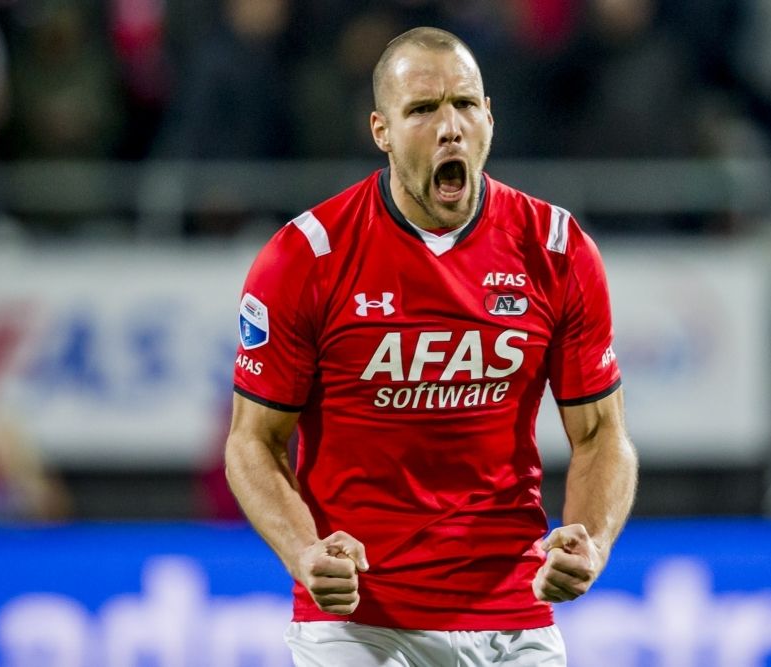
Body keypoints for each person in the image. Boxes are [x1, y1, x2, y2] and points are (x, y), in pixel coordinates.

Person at [225, 27, 638, 666]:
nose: (450, 128)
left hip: (512, 618)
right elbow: (252, 441)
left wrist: (593, 541)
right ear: (381, 131)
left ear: (489, 118)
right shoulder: (306, 258)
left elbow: (602, 433)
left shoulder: (557, 250)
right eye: (422, 109)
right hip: (359, 625)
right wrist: (303, 552)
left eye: (464, 104)